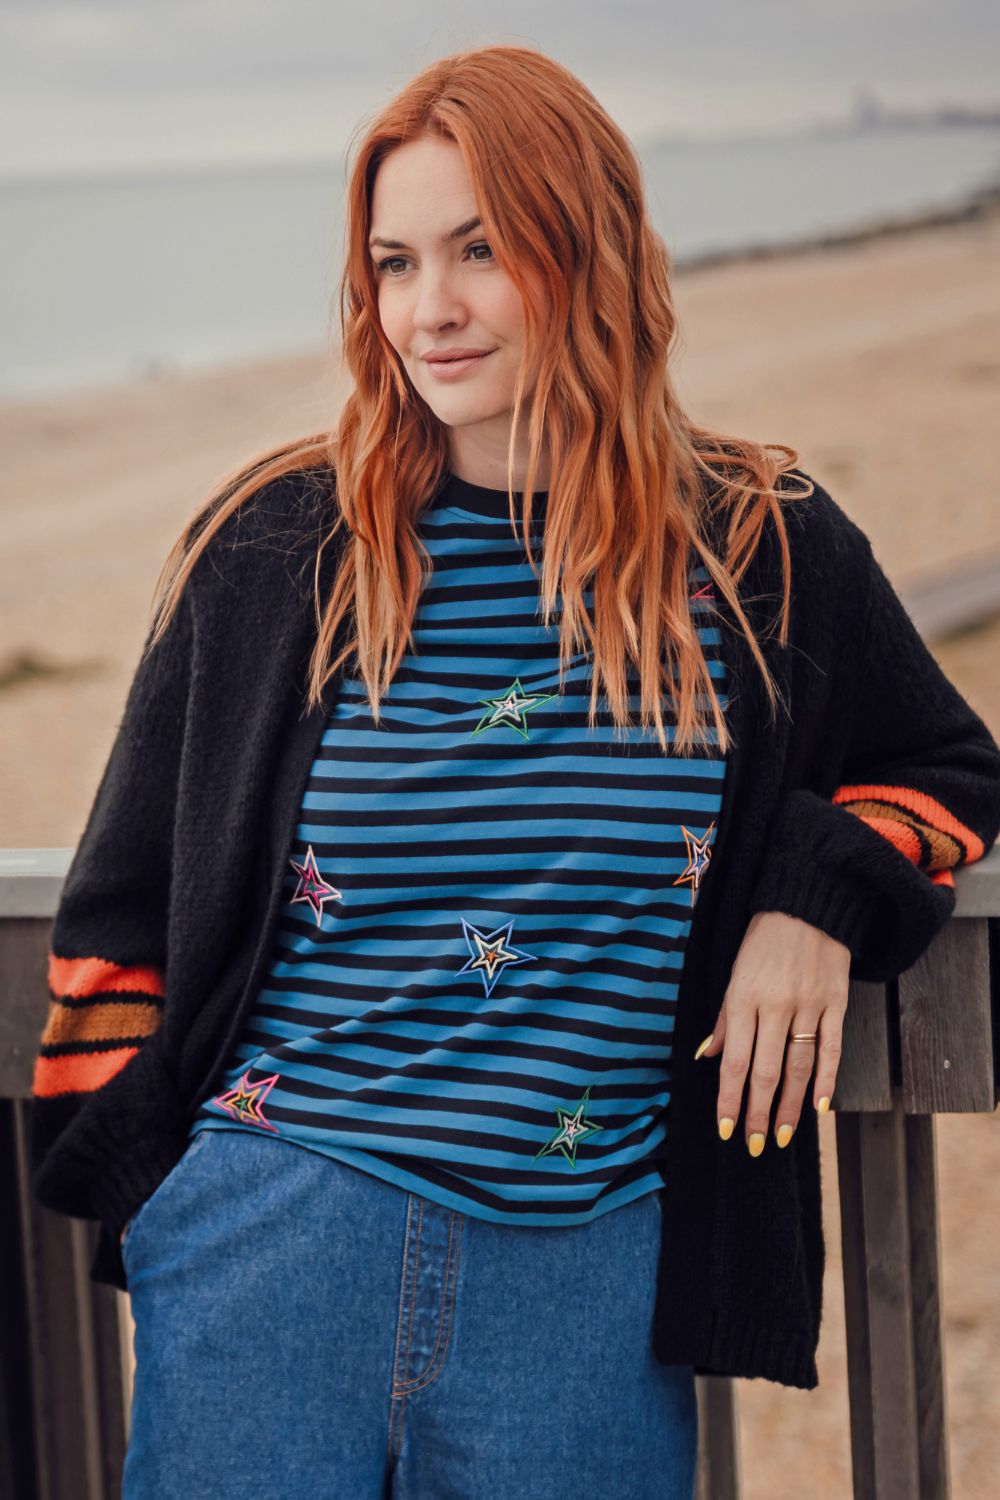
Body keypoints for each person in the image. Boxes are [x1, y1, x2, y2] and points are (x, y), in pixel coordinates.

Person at [27, 43, 1000, 1500]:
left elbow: (951, 769)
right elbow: (119, 899)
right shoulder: (279, 548)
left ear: (588, 248)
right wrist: (157, 1199)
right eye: (396, 260)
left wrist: (815, 899)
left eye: (482, 249)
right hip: (270, 1261)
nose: (432, 308)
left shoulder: (759, 548)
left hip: (594, 1282)